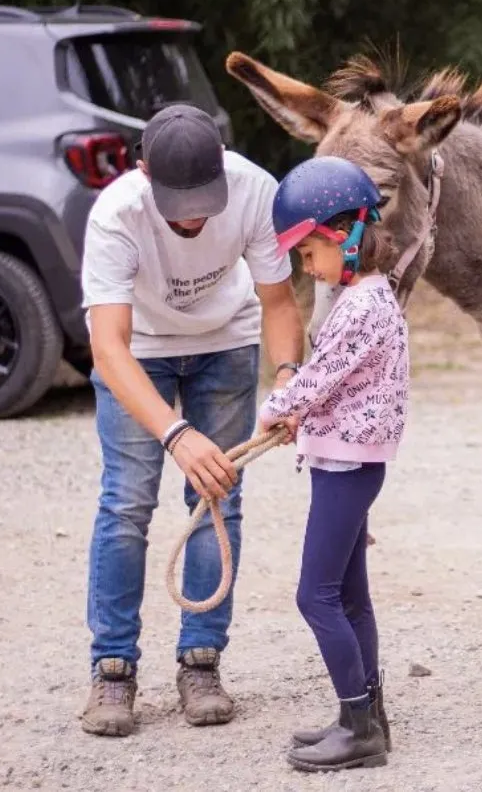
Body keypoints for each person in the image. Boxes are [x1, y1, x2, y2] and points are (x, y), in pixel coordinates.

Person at [79, 103, 305, 737]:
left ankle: (201, 660)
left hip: (226, 344)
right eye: (179, 201)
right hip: (139, 352)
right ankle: (113, 668)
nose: (193, 215)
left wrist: (287, 380)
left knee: (216, 501)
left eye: (205, 198)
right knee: (126, 504)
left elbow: (279, 303)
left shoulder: (255, 190)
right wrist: (175, 435)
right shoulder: (116, 214)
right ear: (144, 172)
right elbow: (107, 348)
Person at [255, 155, 409, 772]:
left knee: (314, 596)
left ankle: (359, 723)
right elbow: (337, 383)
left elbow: (318, 378)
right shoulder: (369, 299)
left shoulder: (363, 306)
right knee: (348, 596)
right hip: (347, 462)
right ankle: (366, 716)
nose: (305, 268)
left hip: (346, 467)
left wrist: (276, 408)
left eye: (307, 254)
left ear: (341, 238)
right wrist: (304, 415)